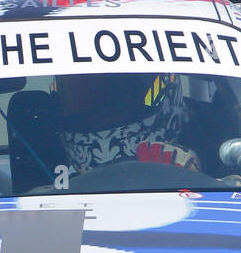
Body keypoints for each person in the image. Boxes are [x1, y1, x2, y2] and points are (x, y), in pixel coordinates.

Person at [54, 72, 202, 176]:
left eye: (114, 102)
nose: (103, 115)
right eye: (89, 105)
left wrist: (190, 179)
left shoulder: (210, 152)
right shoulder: (55, 182)